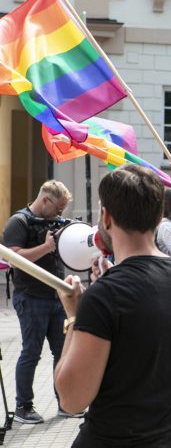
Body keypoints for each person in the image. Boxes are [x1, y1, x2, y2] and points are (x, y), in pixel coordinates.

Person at [54, 164, 171, 448]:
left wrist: (74, 316)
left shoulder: (104, 296)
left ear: (106, 216)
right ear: (159, 216)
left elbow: (72, 399)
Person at [2, 180, 74, 424]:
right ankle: (24, 407)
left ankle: (65, 403)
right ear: (45, 200)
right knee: (31, 352)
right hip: (31, 297)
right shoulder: (18, 222)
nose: (60, 214)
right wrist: (46, 247)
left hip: (56, 296)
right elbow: (15, 258)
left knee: (62, 352)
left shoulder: (53, 222)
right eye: (58, 208)